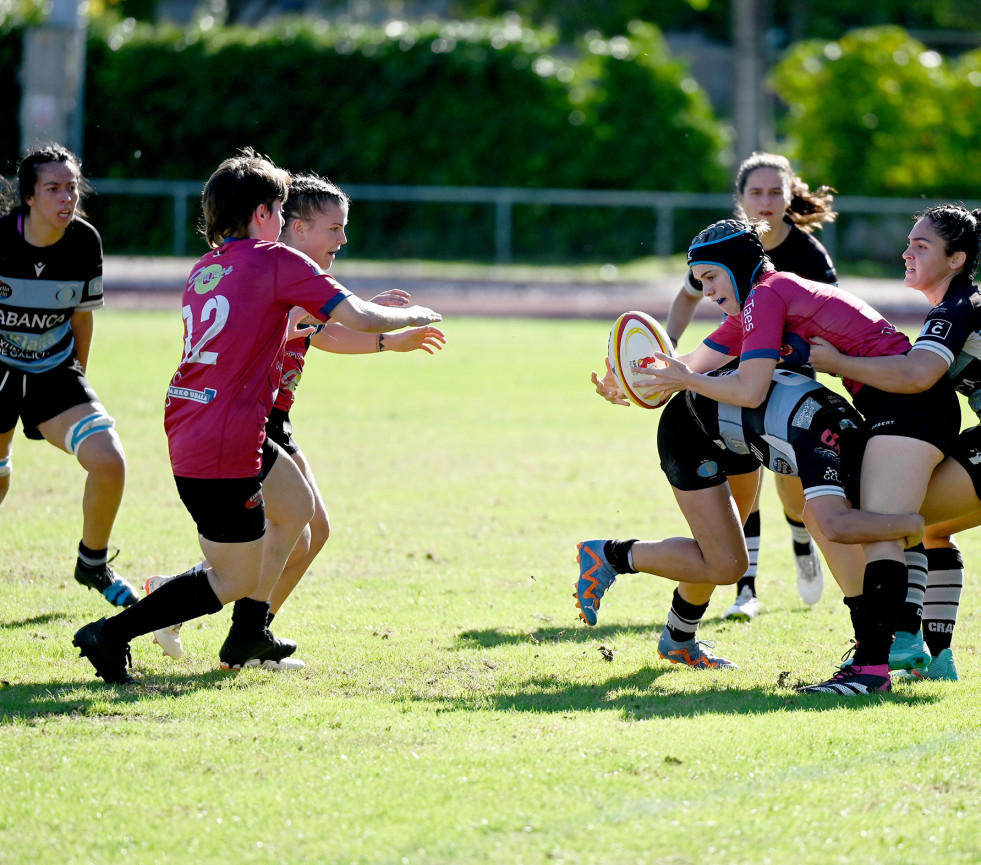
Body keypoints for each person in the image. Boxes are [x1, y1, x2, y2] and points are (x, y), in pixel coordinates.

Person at [72, 149, 442, 685]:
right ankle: (111, 634)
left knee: (296, 508)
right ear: (266, 214)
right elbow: (356, 316)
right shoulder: (276, 261)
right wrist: (411, 314)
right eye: (280, 207)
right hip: (225, 434)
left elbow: (289, 327)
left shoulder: (207, 267)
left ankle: (249, 633)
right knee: (234, 575)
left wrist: (375, 335)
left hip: (208, 421)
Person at [615, 218, 960, 695]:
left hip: (908, 412)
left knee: (863, 525)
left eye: (711, 277)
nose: (706, 290)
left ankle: (873, 666)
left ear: (737, 268)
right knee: (845, 522)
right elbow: (686, 367)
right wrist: (627, 385)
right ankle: (888, 648)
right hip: (896, 410)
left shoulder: (766, 297)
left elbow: (749, 390)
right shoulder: (758, 304)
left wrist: (684, 380)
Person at [578, 365, 923, 671]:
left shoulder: (856, 442)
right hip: (691, 431)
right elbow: (833, 524)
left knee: (720, 548)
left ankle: (678, 641)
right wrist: (910, 525)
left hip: (737, 429)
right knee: (727, 564)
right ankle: (610, 556)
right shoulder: (825, 449)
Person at [809, 204, 981, 684]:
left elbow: (915, 374)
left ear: (956, 259)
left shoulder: (956, 308)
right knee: (926, 529)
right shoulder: (961, 304)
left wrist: (837, 361)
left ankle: (894, 643)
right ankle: (938, 658)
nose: (907, 252)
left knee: (874, 516)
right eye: (909, 242)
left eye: (921, 246)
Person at [666, 153, 838, 621]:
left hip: (788, 372)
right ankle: (747, 590)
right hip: (731, 366)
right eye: (756, 193)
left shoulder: (807, 257)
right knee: (745, 479)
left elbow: (820, 326)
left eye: (775, 192)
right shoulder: (725, 245)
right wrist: (669, 346)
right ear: (740, 199)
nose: (765, 201)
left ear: (789, 196)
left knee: (791, 486)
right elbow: (686, 296)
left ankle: (802, 539)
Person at [0, 143, 137, 608]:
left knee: (109, 460)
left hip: (54, 370)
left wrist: (76, 381)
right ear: (30, 198)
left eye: (72, 187)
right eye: (53, 189)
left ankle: (92, 564)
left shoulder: (84, 241)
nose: (66, 198)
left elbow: (82, 319)